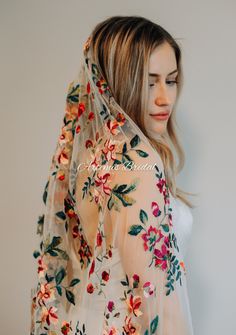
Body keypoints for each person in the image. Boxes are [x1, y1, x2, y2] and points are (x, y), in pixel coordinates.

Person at [30, 15, 196, 335]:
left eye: (171, 80)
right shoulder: (133, 162)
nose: (165, 98)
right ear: (119, 83)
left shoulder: (91, 158)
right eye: (150, 82)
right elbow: (159, 311)